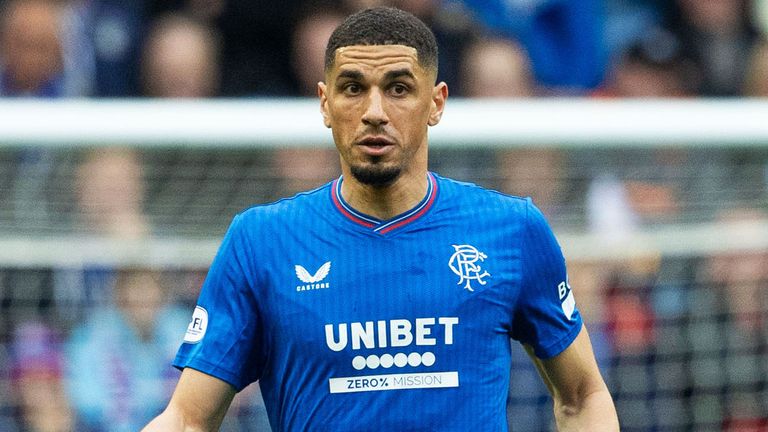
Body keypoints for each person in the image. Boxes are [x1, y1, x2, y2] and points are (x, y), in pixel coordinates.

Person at [143, 7, 618, 431]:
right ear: (326, 104)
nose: (374, 111)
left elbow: (582, 396)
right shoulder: (261, 241)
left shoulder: (512, 230)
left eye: (398, 88)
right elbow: (186, 418)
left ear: (436, 102)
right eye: (353, 88)